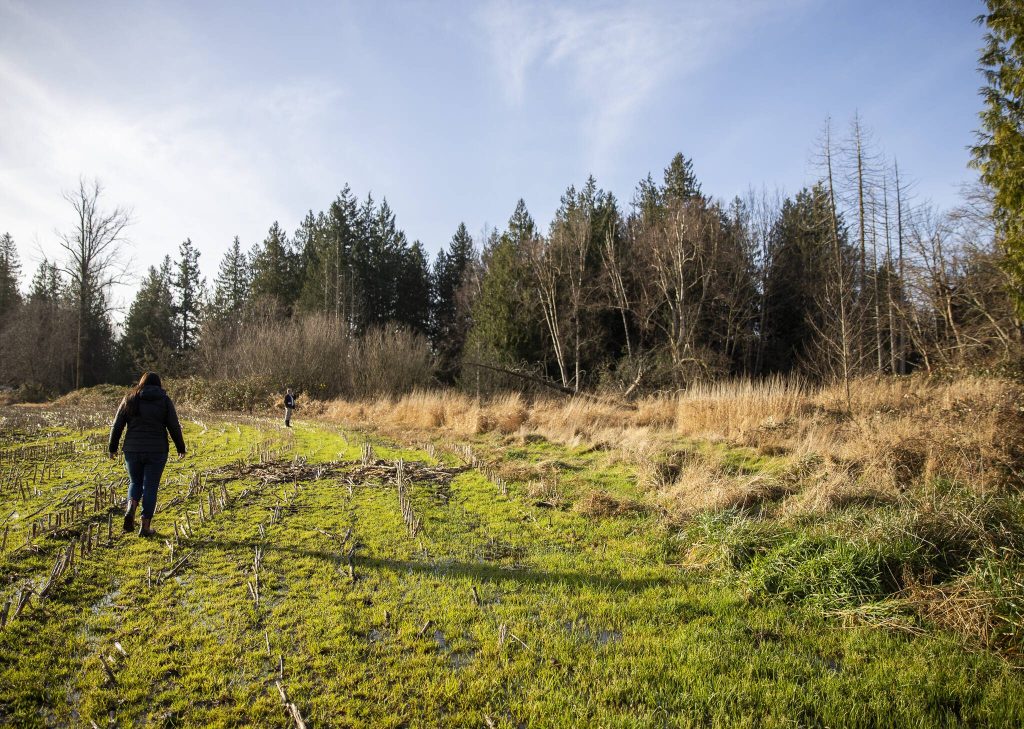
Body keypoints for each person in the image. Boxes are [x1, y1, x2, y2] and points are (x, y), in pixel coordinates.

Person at [108, 372, 186, 537]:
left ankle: (131, 507)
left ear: (141, 383)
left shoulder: (130, 398)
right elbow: (173, 425)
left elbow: (117, 425)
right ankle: (145, 527)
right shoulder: (164, 400)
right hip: (157, 450)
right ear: (159, 384)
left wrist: (112, 447)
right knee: (150, 486)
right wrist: (180, 447)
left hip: (132, 449)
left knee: (135, 482)